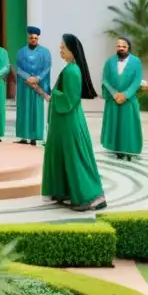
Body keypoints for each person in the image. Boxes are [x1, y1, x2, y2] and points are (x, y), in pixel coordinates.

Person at [42, 34, 106, 212]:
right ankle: (67, 190)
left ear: (72, 50)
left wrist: (53, 93)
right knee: (66, 156)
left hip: (69, 122)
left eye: (63, 47)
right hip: (65, 122)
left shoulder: (72, 71)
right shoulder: (70, 68)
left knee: (75, 157)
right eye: (60, 47)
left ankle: (91, 196)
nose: (60, 50)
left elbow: (69, 100)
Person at [100, 37, 143, 160]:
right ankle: (116, 149)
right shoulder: (109, 62)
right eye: (118, 46)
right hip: (114, 100)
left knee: (128, 126)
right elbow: (105, 80)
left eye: (123, 46)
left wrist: (125, 95)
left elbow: (137, 81)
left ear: (128, 47)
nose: (121, 48)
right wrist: (114, 94)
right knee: (115, 125)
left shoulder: (136, 62)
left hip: (128, 100)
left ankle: (129, 150)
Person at [14, 26, 51, 146]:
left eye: (35, 38)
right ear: (28, 38)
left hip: (38, 87)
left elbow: (47, 68)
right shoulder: (21, 52)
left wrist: (37, 78)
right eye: (31, 37)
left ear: (38, 38)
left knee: (36, 110)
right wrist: (27, 78)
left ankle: (35, 137)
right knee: (24, 110)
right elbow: (18, 68)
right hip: (25, 86)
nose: (33, 39)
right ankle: (24, 137)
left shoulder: (45, 52)